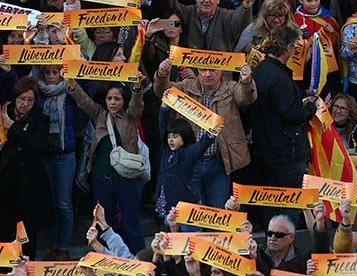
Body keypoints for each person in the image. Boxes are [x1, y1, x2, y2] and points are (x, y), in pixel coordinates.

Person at [154, 60, 256, 210]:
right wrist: (162, 75)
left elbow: (246, 98)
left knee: (218, 213)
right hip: (190, 163)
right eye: (203, 70)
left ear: (221, 70)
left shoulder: (231, 87)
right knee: (190, 213)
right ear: (197, 70)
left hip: (220, 164)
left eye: (213, 70)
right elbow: (162, 91)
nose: (208, 74)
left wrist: (247, 82)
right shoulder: (186, 86)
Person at [66, 78, 146, 254]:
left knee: (131, 222)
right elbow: (84, 101)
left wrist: (137, 88)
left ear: (124, 101)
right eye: (109, 98)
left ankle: (142, 265)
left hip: (127, 180)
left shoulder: (131, 117)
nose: (112, 102)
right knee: (103, 223)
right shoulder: (100, 114)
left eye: (117, 99)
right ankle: (106, 264)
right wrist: (72, 84)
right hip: (101, 180)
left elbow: (137, 104)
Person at [247, 26, 316, 223]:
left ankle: (273, 244)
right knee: (289, 206)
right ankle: (284, 247)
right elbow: (291, 114)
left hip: (264, 149)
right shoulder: (279, 77)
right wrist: (312, 108)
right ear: (287, 47)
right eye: (294, 45)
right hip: (285, 152)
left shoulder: (260, 70)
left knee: (271, 203)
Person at [0, 76, 50, 254]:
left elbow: (38, 146)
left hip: (28, 185)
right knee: (3, 225)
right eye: (22, 99)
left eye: (30, 100)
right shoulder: (2, 115)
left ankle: (27, 264)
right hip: (5, 182)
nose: (25, 104)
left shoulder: (41, 120)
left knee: (27, 230)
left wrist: (12, 127)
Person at [35, 66, 79, 260]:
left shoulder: (70, 92)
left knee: (64, 203)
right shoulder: (38, 94)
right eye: (48, 73)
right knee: (50, 202)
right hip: (45, 155)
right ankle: (53, 245)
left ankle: (63, 246)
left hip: (65, 154)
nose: (52, 77)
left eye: (55, 73)